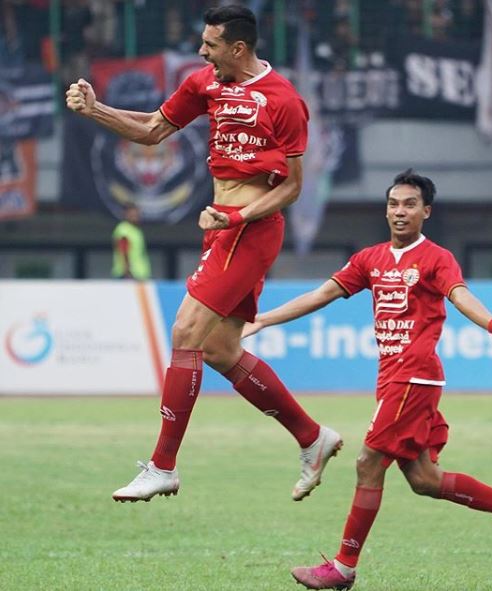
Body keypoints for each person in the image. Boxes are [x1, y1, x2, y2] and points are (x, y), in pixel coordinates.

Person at [65, 4, 342, 504]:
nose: (201, 51)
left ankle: (162, 466)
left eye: (210, 45)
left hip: (250, 230)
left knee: (185, 332)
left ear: (238, 48)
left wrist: (236, 217)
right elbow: (153, 128)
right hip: (221, 230)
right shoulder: (205, 85)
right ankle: (311, 436)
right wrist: (95, 110)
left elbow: (294, 188)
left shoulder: (283, 101)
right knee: (217, 349)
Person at [242, 170, 492, 590]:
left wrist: (491, 323)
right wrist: (263, 319)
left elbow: (459, 294)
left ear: (426, 211)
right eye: (393, 204)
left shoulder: (436, 258)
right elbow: (321, 295)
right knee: (424, 480)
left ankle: (343, 568)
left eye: (409, 205)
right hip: (391, 380)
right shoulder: (370, 259)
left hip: (415, 378)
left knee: (368, 462)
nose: (399, 212)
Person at [111, 203, 151, 280]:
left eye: (137, 214)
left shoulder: (136, 230)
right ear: (125, 214)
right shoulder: (123, 229)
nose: (135, 216)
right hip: (128, 275)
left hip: (140, 274)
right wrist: (127, 271)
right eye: (132, 214)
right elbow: (123, 250)